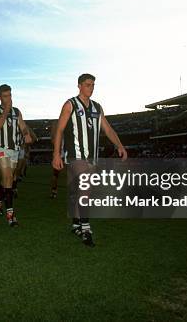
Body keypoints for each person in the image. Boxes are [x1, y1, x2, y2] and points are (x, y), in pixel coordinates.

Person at [52, 73, 127, 247]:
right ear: (79, 86)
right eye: (87, 84)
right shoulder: (70, 104)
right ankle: (86, 229)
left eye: (93, 85)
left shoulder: (97, 107)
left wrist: (120, 146)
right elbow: (59, 130)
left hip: (92, 157)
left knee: (80, 192)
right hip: (76, 155)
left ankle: (76, 223)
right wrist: (56, 154)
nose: (91, 88)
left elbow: (108, 129)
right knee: (85, 188)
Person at [0, 84, 32, 226]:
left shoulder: (17, 111)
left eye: (10, 95)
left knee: (7, 179)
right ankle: (10, 215)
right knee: (8, 178)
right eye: (5, 96)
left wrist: (26, 135)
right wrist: (6, 109)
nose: (9, 98)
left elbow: (23, 126)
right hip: (1, 148)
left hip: (14, 149)